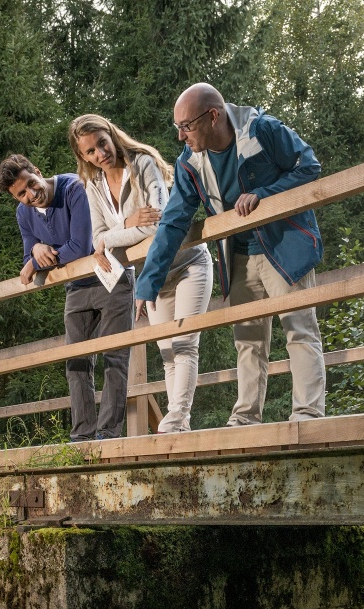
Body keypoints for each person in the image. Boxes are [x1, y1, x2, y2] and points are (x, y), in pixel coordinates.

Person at [134, 83, 327, 425]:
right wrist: (148, 284)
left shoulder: (262, 129)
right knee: (248, 340)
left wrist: (264, 193)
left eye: (186, 126)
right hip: (238, 256)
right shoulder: (189, 163)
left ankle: (308, 415)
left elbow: (308, 166)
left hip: (284, 247)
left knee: (299, 329)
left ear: (213, 116)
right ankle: (246, 418)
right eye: (177, 127)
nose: (181, 136)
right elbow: (173, 224)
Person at [70, 114, 213, 433]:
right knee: (167, 352)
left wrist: (111, 237)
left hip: (188, 263)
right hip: (153, 277)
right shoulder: (93, 186)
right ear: (83, 156)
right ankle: (179, 424)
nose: (100, 154)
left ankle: (175, 420)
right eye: (91, 151)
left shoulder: (143, 163)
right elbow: (96, 238)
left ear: (111, 134)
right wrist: (125, 224)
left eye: (102, 143)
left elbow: (157, 223)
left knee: (185, 343)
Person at [0, 153, 131, 442]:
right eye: (21, 194)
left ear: (37, 171)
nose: (31, 195)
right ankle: (82, 436)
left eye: (31, 184)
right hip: (76, 286)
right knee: (75, 362)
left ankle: (108, 434)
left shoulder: (74, 188)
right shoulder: (23, 214)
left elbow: (80, 246)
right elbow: (28, 260)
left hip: (111, 275)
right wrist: (35, 251)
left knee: (114, 355)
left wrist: (37, 258)